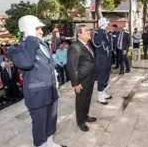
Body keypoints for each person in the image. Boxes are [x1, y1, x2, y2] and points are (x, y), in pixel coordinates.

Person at [7, 15, 66, 147]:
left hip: (51, 90)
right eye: (38, 28)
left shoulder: (43, 44)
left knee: (51, 121)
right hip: (37, 95)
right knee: (40, 125)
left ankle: (50, 143)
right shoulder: (15, 49)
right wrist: (30, 38)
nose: (41, 31)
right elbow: (27, 63)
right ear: (28, 29)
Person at [67, 24, 97, 132]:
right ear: (79, 34)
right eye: (86, 31)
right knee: (81, 101)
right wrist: (76, 83)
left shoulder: (89, 44)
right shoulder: (74, 47)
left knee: (88, 98)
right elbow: (71, 67)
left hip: (90, 78)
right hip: (81, 80)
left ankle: (85, 116)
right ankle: (80, 121)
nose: (89, 32)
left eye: (89, 30)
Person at [93, 18, 113, 105]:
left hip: (107, 59)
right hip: (101, 61)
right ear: (103, 25)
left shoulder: (106, 34)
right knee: (101, 78)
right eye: (107, 24)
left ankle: (103, 93)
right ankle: (100, 97)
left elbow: (109, 45)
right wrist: (101, 29)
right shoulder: (97, 34)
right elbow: (97, 43)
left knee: (106, 77)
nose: (108, 26)